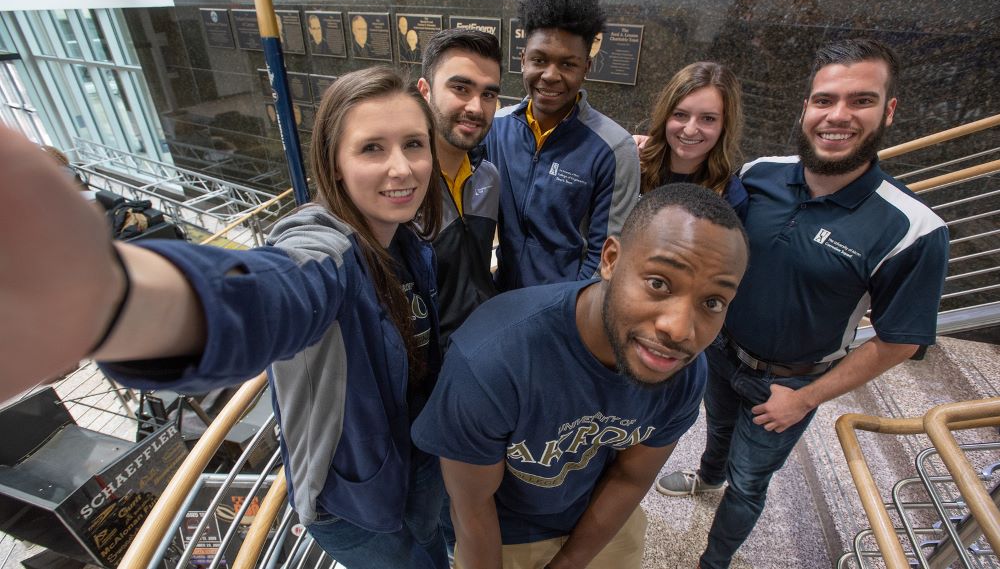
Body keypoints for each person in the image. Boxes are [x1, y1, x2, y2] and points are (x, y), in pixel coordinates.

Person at [0, 68, 451, 569]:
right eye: (372, 148)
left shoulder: (409, 242)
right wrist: (107, 298)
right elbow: (268, 294)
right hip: (359, 507)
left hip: (420, 469)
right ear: (334, 164)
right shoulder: (326, 250)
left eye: (414, 144)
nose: (402, 168)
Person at [654, 38, 950, 569]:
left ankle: (712, 562)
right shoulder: (761, 173)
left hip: (793, 382)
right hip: (723, 354)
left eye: (860, 100)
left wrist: (808, 398)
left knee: (749, 483)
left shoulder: (913, 228)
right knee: (717, 430)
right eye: (824, 100)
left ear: (889, 111)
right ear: (807, 107)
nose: (837, 116)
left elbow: (900, 341)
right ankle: (706, 477)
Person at [412, 183, 750, 569]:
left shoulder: (684, 372)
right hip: (503, 532)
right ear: (610, 260)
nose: (680, 329)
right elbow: (471, 511)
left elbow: (630, 477)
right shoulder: (493, 359)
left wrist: (570, 562)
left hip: (595, 517)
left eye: (712, 302)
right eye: (658, 283)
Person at [484, 0, 640, 291]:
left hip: (565, 312)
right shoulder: (496, 128)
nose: (551, 76)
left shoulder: (613, 149)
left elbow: (606, 258)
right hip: (501, 298)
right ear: (523, 59)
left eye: (568, 64)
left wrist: (566, 314)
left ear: (586, 68)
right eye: (539, 60)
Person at [416, 29, 502, 347]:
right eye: (460, 88)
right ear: (425, 91)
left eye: (488, 94)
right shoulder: (401, 188)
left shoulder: (489, 178)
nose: (476, 107)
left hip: (482, 347)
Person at [637, 62, 748, 219]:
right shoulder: (633, 166)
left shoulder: (730, 197)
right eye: (680, 114)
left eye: (708, 118)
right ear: (665, 115)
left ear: (724, 125)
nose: (690, 130)